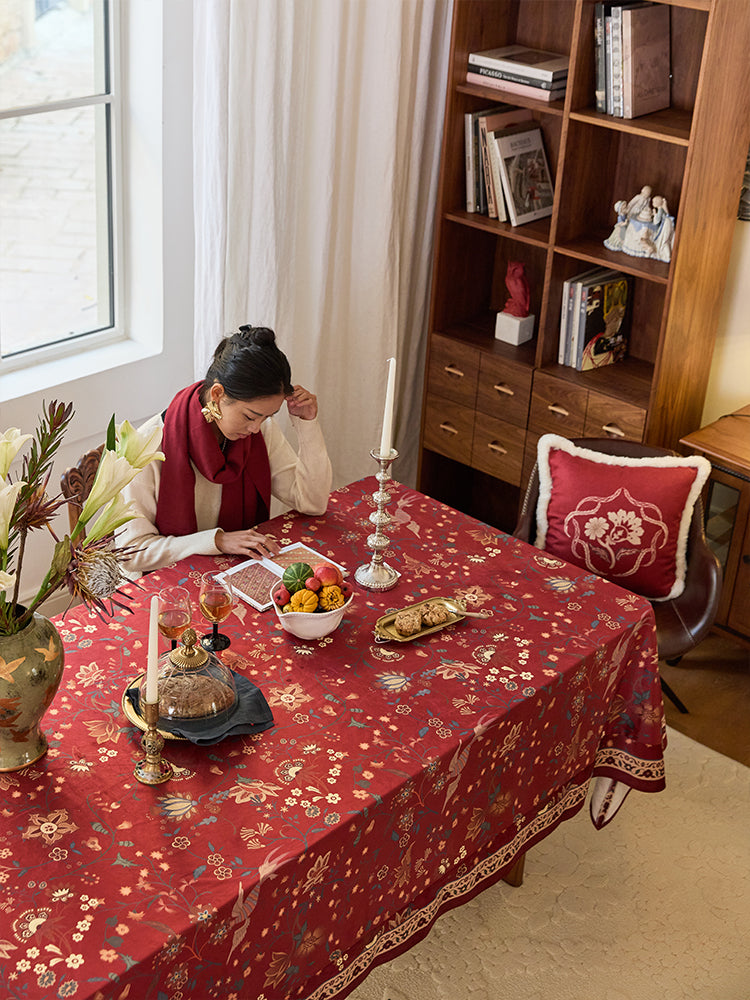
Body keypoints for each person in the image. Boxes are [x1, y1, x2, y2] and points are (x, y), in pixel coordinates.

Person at [117, 325, 332, 576]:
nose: (255, 429)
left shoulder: (261, 432)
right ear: (217, 394)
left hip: (234, 575)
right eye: (251, 416)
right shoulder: (148, 447)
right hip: (164, 586)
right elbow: (130, 553)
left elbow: (312, 503)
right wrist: (217, 541)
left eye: (267, 417)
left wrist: (307, 424)